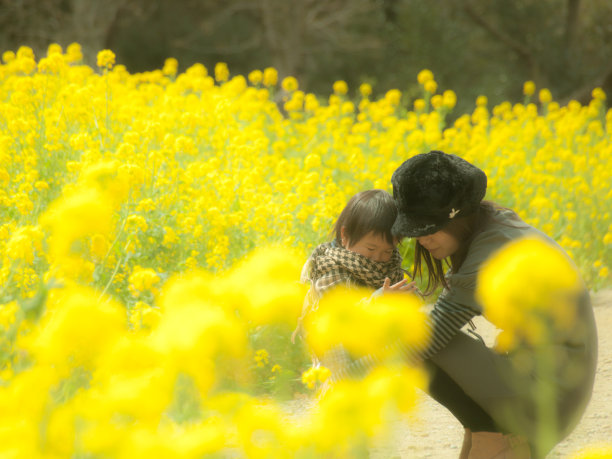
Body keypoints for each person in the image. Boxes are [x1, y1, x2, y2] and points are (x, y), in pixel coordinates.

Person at [371, 150, 596, 458]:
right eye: (415, 231)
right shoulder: (493, 225)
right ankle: (485, 432)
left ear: (458, 216)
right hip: (540, 379)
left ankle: (494, 435)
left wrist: (349, 372)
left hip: (548, 396)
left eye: (429, 228)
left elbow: (432, 336)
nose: (422, 240)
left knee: (413, 335)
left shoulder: (489, 250)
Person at [291, 189, 418, 380]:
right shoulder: (330, 268)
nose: (378, 258)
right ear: (345, 235)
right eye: (371, 248)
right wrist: (380, 300)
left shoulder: (390, 266)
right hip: (338, 362)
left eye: (387, 251)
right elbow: (340, 318)